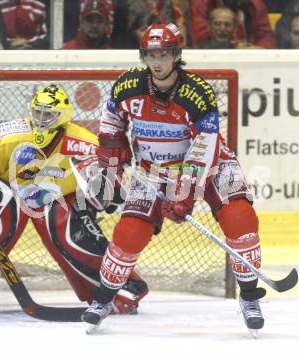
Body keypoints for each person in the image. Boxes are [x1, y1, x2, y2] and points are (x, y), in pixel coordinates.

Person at [81, 23, 267, 333]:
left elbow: (205, 147)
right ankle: (103, 299)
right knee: (129, 233)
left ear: (177, 55)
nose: (157, 62)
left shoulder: (197, 92)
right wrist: (115, 154)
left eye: (164, 54)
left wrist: (184, 194)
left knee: (240, 218)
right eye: (151, 54)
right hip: (154, 170)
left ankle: (249, 296)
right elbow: (111, 117)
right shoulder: (128, 86)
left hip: (213, 166)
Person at [0, 84, 148, 315]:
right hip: (8, 192)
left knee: (67, 228)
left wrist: (107, 188)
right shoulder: (11, 133)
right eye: (37, 112)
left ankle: (114, 288)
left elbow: (111, 175)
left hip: (58, 198)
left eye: (48, 114)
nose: (41, 119)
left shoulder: (83, 143)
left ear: (63, 116)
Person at [189, 0, 276, 48]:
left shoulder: (255, 4)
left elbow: (266, 37)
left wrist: (260, 50)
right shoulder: (202, 2)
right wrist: (237, 48)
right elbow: (202, 39)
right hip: (211, 55)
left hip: (248, 57)